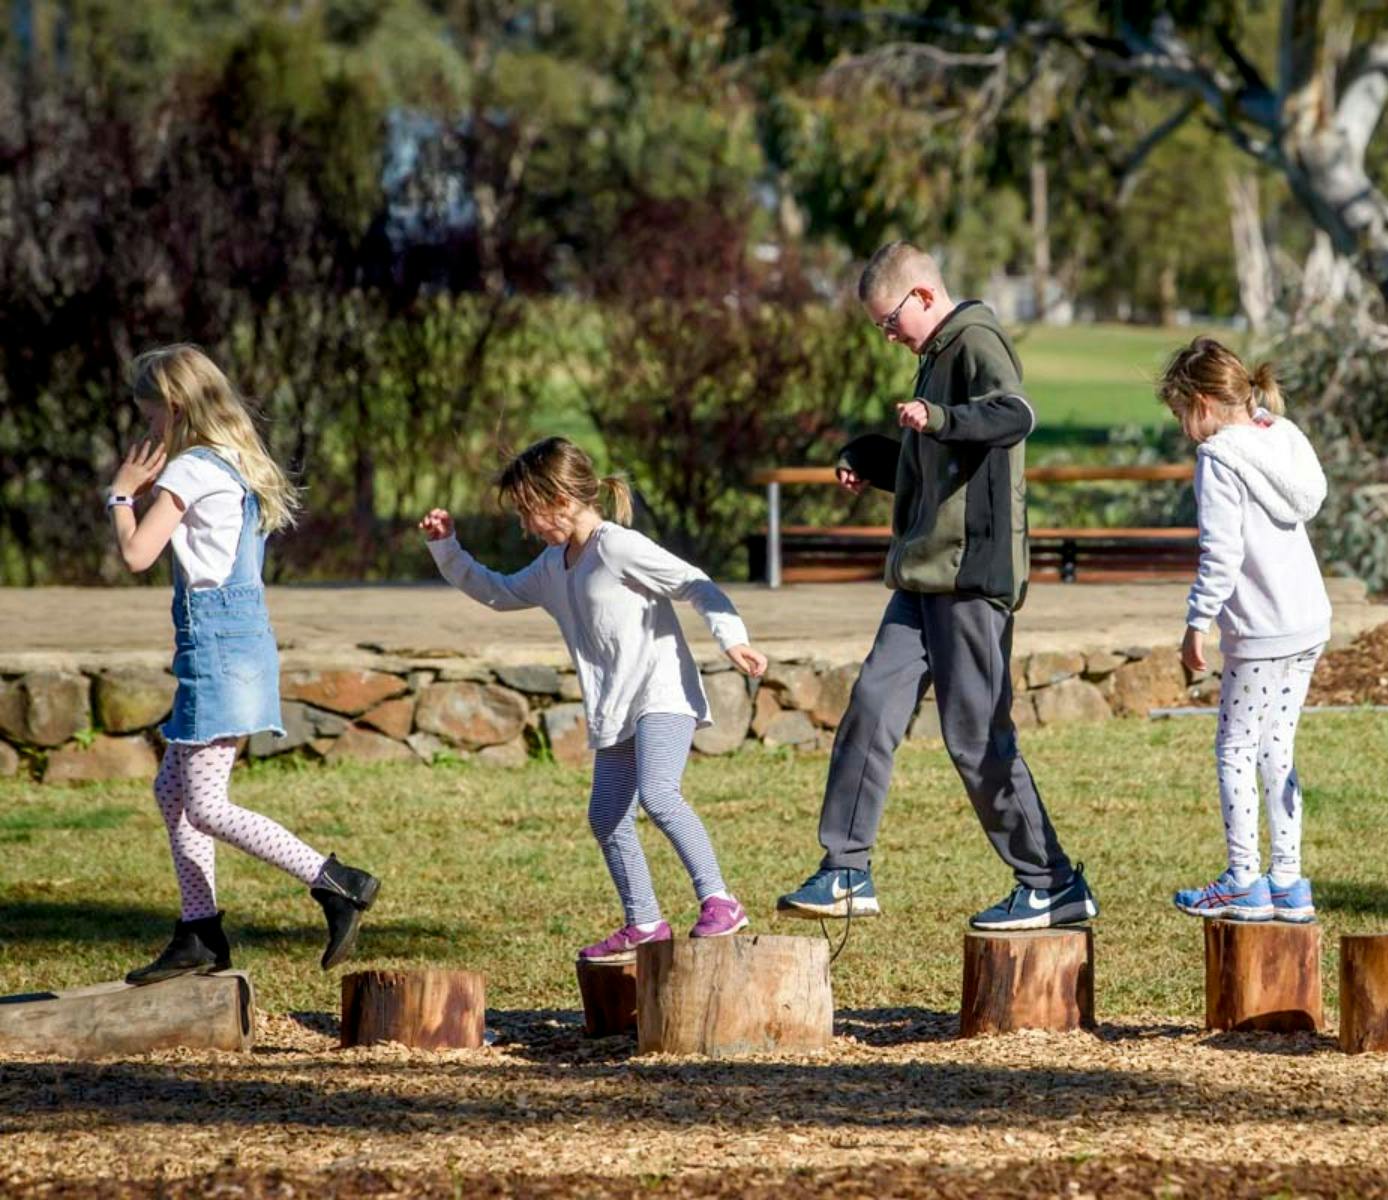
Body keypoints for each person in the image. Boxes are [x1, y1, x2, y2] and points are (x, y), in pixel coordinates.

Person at [774, 240, 1097, 931]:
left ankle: (1052, 881)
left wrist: (942, 420)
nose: (888, 335)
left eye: (890, 320)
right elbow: (940, 469)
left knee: (976, 736)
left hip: (971, 575)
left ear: (922, 295)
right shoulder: (933, 360)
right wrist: (870, 458)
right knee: (871, 706)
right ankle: (845, 871)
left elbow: (1013, 417)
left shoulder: (976, 340)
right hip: (921, 578)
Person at [421, 436, 766, 961]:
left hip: (661, 693)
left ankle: (720, 900)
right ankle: (645, 922)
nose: (526, 527)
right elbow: (496, 591)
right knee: (606, 816)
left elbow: (697, 585)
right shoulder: (552, 565)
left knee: (659, 794)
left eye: (529, 513)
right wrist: (446, 547)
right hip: (616, 708)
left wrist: (732, 639)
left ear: (561, 499)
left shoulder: (618, 546)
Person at [106, 344, 379, 985]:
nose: (146, 431)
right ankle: (199, 932)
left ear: (173, 408)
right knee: (171, 792)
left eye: (149, 417)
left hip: (217, 649)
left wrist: (121, 497)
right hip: (241, 639)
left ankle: (337, 883)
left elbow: (138, 556)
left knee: (203, 803)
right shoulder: (232, 462)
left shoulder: (190, 473)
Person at [1158, 339, 1332, 924]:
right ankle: (1288, 880)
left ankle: (1242, 879)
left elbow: (1221, 553)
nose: (1185, 428)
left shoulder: (1219, 458)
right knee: (1277, 748)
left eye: (1182, 414)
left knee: (1235, 748)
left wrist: (1196, 622)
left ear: (1203, 403)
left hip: (1260, 629)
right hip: (1308, 619)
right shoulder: (1279, 433)